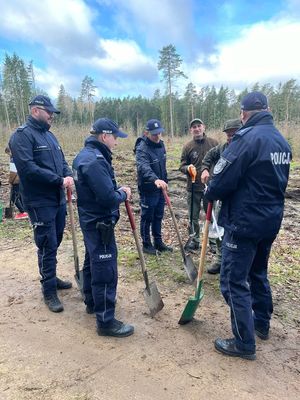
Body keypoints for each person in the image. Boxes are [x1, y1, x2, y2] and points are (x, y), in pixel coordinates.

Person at [205, 91, 292, 360]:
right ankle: (262, 323)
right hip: (269, 221)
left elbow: (221, 180)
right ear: (267, 109)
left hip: (244, 223)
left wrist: (210, 192)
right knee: (258, 272)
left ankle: (244, 341)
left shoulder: (246, 139)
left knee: (233, 280)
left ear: (243, 113)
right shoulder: (282, 142)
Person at [9, 95, 74, 313]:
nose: (52, 117)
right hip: (39, 201)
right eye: (49, 113)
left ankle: (51, 277)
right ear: (36, 111)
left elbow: (62, 162)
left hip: (57, 199)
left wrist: (68, 176)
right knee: (46, 243)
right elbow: (28, 169)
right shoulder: (22, 137)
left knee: (53, 242)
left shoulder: (51, 136)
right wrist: (58, 180)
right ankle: (48, 291)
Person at [72, 118, 134, 338]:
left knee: (92, 262)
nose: (116, 142)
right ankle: (106, 321)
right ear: (105, 136)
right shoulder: (95, 161)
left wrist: (114, 189)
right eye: (115, 137)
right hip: (99, 224)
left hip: (89, 221)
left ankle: (92, 301)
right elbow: (107, 197)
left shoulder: (83, 155)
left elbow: (97, 189)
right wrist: (123, 193)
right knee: (105, 270)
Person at [200, 118, 242, 274]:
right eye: (228, 135)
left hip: (240, 200)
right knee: (219, 228)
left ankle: (234, 264)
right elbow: (209, 157)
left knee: (235, 232)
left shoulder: (246, 149)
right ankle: (220, 258)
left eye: (234, 134)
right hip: (221, 198)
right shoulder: (223, 148)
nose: (231, 138)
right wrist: (204, 169)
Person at [134, 119, 172, 255]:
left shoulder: (161, 145)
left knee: (158, 215)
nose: (157, 136)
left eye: (159, 133)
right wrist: (155, 179)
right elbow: (143, 167)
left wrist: (164, 181)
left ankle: (158, 242)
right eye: (154, 134)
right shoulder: (141, 148)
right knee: (147, 217)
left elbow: (163, 166)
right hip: (148, 189)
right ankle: (146, 244)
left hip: (161, 189)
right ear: (146, 133)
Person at [179, 118, 218, 251]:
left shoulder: (214, 144)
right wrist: (187, 169)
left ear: (204, 127)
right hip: (193, 187)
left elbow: (220, 163)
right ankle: (194, 240)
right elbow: (182, 165)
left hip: (210, 188)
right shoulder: (188, 147)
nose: (196, 129)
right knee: (193, 216)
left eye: (199, 126)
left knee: (211, 215)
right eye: (194, 127)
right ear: (191, 130)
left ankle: (213, 243)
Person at [5, 146, 28, 220]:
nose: (8, 155)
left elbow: (13, 173)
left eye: (8, 153)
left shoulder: (13, 160)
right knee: (20, 195)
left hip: (16, 180)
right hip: (22, 179)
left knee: (13, 197)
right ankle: (25, 211)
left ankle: (22, 212)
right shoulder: (20, 157)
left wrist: (10, 181)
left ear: (10, 151)